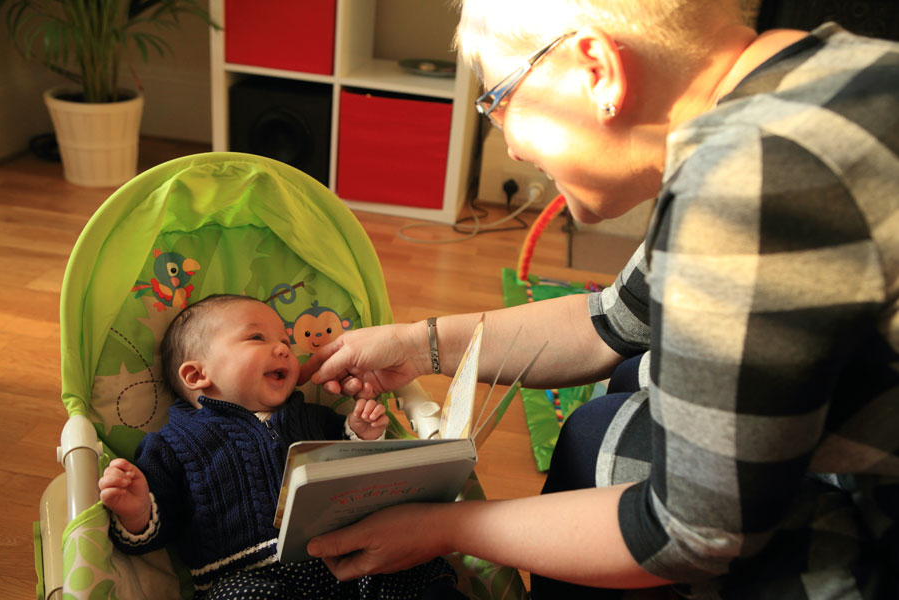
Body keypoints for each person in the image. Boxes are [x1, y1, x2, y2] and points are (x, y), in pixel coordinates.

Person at [297, 1, 899, 598]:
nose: (507, 144)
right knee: (629, 387)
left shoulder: (748, 187)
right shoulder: (836, 75)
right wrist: (416, 344)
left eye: (499, 100)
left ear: (597, 68)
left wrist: (441, 528)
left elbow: (686, 531)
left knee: (601, 439)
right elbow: (613, 320)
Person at [98, 294, 461, 599]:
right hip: (249, 577)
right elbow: (154, 531)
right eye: (257, 338)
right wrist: (137, 511)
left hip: (348, 558)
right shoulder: (173, 445)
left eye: (286, 342)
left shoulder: (313, 418)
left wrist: (360, 434)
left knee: (413, 568)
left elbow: (360, 477)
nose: (284, 350)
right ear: (197, 375)